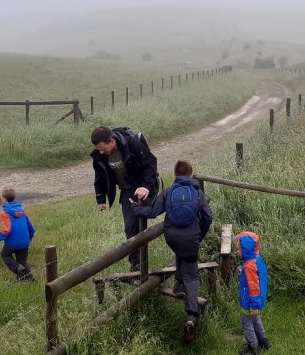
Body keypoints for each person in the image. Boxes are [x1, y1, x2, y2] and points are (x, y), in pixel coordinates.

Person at [132, 160, 213, 341]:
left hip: (172, 237)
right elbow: (208, 216)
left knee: (180, 252)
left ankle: (178, 285)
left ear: (175, 175)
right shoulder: (197, 193)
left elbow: (152, 211)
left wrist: (135, 208)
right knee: (192, 274)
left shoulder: (169, 191)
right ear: (191, 174)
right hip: (191, 238)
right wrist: (199, 235)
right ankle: (191, 317)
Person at [89, 126, 159, 270]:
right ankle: (137, 266)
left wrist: (146, 186)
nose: (101, 152)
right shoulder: (100, 154)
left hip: (142, 185)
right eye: (98, 149)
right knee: (130, 227)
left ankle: (142, 265)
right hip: (127, 190)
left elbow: (151, 163)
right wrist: (100, 198)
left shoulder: (132, 144)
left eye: (103, 149)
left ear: (112, 141)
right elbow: (100, 176)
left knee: (141, 221)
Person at [237, 231, 271, 355]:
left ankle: (253, 348)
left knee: (246, 323)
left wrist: (254, 305)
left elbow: (253, 286)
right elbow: (257, 275)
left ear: (246, 249)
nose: (238, 251)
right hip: (257, 299)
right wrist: (242, 270)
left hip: (250, 301)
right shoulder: (256, 258)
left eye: (240, 248)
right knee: (255, 319)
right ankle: (264, 342)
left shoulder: (249, 266)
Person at [0, 188, 36, 282]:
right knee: (23, 261)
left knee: (5, 255)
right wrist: (29, 237)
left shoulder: (5, 212)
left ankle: (17, 268)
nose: (1, 199)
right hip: (25, 241)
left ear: (4, 199)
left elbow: (7, 230)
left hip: (12, 242)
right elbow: (31, 226)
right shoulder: (22, 210)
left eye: (1, 197)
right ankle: (32, 281)